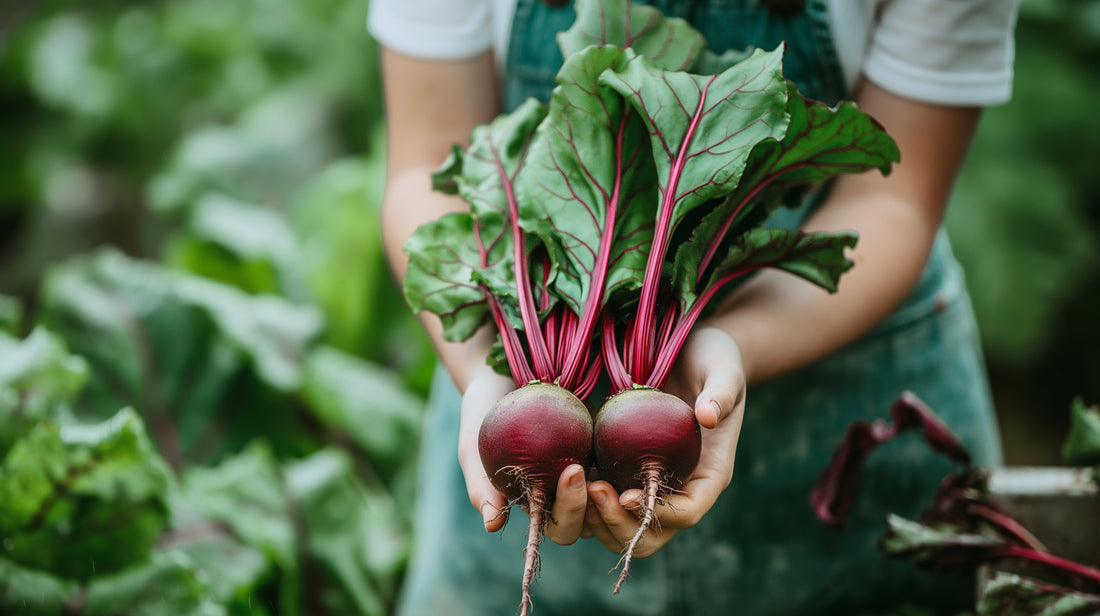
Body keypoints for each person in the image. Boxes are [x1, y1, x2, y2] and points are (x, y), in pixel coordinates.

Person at [370, 0, 1019, 614]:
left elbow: (896, 202)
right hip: (533, 411)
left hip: (850, 405)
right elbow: (426, 169)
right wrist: (485, 376)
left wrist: (732, 344)